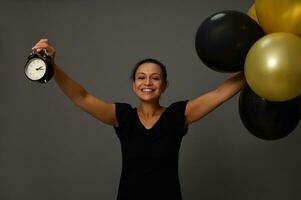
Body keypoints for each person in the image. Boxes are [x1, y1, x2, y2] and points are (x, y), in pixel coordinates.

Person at [32, 38, 245, 200]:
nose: (148, 82)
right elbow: (81, 96)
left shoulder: (178, 115)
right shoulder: (122, 116)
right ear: (134, 85)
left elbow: (219, 93)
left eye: (155, 78)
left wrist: (253, 68)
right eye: (141, 77)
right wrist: (51, 66)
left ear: (164, 86)